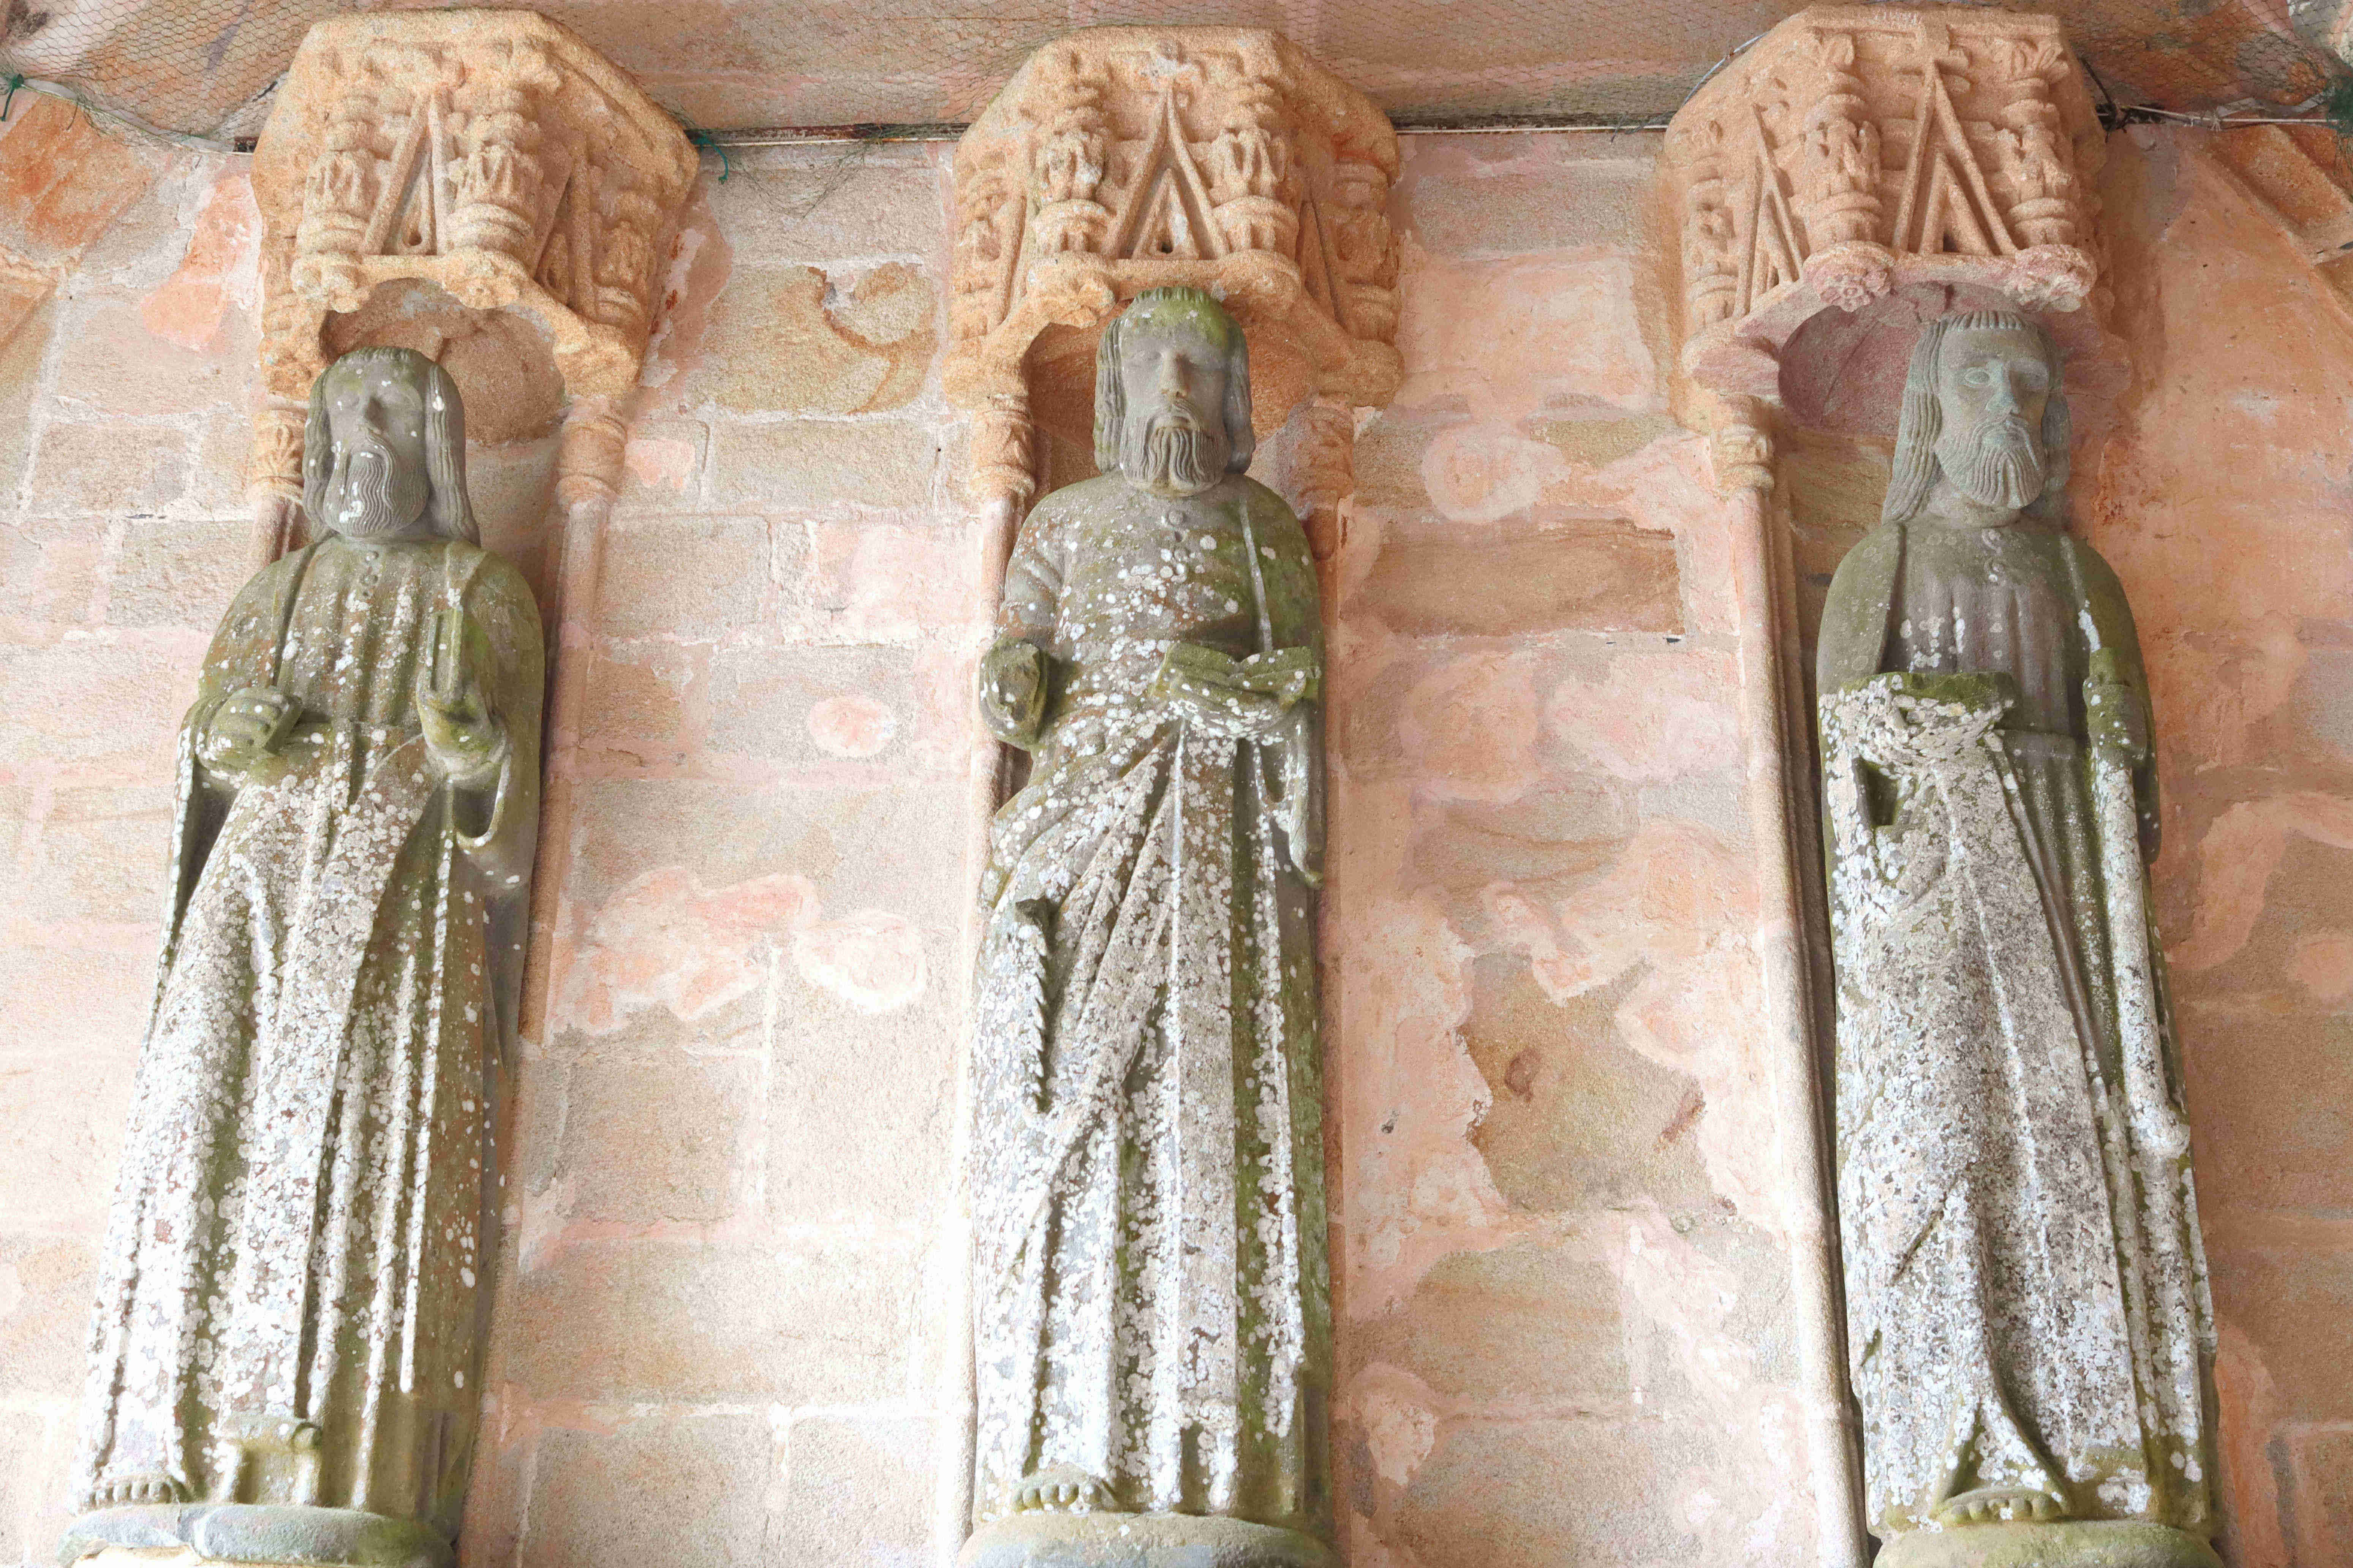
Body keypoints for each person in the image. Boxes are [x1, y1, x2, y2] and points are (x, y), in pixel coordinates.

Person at [68, 346, 541, 1566]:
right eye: (343, 415)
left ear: (434, 444)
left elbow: (508, 837)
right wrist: (224, 739)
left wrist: (474, 755)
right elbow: (207, 760)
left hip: (397, 894)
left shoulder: (480, 592)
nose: (362, 439)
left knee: (361, 1134)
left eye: (389, 412)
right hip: (253, 889)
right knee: (201, 1110)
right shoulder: (270, 595)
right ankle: (159, 1433)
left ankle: (335, 1459)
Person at [1817, 311, 2217, 1566]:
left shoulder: (2081, 579)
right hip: (1939, 893)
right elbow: (1839, 772)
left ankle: (2116, 1451)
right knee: (1947, 1137)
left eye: (2028, 385)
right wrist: (1924, 739)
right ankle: (1955, 1447)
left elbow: (2134, 791)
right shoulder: (1881, 563)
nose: (2006, 404)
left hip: (2069, 885)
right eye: (1978, 379)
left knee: (2086, 1137)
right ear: (1929, 411)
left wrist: (2115, 747)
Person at [966, 288, 1331, 1568]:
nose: (1174, 388)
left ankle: (1220, 1445)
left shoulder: (1260, 527)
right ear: (1115, 387)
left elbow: (1302, 686)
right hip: (1082, 834)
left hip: (1218, 863)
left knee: (1211, 1106)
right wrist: (1014, 686)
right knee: (1066, 1108)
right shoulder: (1062, 524)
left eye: (1200, 367)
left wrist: (1236, 698)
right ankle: (1055, 1434)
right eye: (1151, 364)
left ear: (1233, 397)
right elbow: (1017, 668)